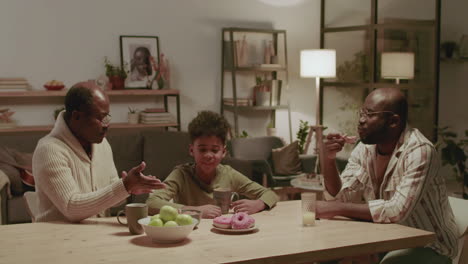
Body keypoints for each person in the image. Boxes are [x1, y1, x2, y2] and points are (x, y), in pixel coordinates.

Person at [317, 88, 459, 263]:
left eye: (369, 114)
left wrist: (334, 208)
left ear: (393, 121)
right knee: (327, 251)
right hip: (386, 239)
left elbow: (396, 211)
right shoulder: (364, 148)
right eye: (361, 112)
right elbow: (342, 196)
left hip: (430, 246)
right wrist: (328, 159)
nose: (361, 120)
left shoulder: (420, 151)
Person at [32, 81, 165, 222]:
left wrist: (129, 189)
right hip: (56, 239)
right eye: (101, 118)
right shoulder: (49, 150)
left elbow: (110, 193)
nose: (107, 125)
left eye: (107, 117)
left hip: (95, 235)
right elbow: (71, 208)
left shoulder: (102, 144)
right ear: (77, 117)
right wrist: (124, 186)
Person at [146, 111, 279, 218]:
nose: (208, 155)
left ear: (224, 152)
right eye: (202, 149)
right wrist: (195, 211)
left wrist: (258, 204)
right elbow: (151, 203)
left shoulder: (229, 174)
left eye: (215, 150)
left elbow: (270, 194)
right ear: (192, 150)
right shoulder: (181, 174)